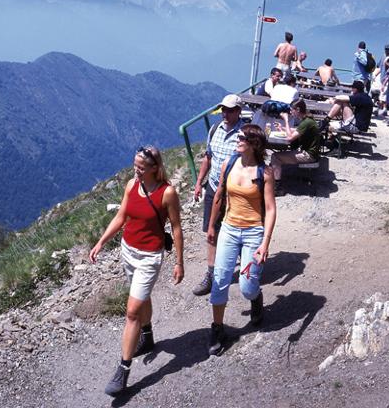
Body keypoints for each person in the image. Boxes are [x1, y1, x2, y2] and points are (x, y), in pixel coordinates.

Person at [90, 146, 183, 396]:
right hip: (127, 250)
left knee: (132, 311)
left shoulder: (167, 193)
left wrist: (179, 262)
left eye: (141, 167)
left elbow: (176, 228)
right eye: (135, 165)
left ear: (155, 168)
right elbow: (122, 216)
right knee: (140, 298)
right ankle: (148, 334)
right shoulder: (132, 184)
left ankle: (123, 370)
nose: (136, 170)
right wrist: (101, 242)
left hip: (149, 256)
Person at [206, 124, 277, 355]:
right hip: (228, 228)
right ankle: (217, 329)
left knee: (247, 286)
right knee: (220, 279)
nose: (237, 140)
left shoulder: (264, 173)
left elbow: (270, 208)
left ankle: (255, 298)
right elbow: (218, 196)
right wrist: (211, 227)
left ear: (254, 144)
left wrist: (265, 242)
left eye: (242, 138)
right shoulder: (229, 164)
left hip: (253, 232)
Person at [191, 94, 243, 297]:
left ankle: (241, 268)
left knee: (234, 232)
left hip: (234, 192)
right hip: (213, 187)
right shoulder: (215, 130)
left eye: (229, 110)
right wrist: (198, 183)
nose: (225, 113)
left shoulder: (244, 134)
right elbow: (208, 158)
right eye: (223, 109)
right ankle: (211, 275)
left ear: (239, 111)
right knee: (211, 232)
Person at [269, 99, 321, 181]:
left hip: (308, 156)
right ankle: (275, 173)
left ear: (297, 110)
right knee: (277, 156)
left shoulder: (306, 122)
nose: (290, 112)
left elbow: (290, 138)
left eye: (291, 110)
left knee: (275, 157)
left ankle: (277, 186)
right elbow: (296, 130)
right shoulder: (307, 120)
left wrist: (286, 120)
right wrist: (282, 128)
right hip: (311, 153)